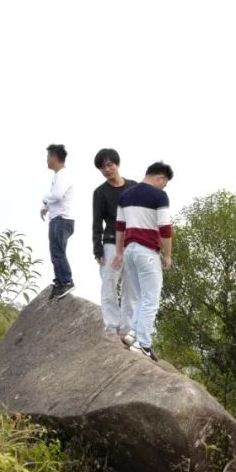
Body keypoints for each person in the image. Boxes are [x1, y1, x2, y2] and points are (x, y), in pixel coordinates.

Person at [111, 161, 174, 360]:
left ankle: (132, 335)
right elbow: (165, 228)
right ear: (160, 178)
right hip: (147, 251)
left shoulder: (125, 195)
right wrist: (168, 255)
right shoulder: (159, 196)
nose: (164, 187)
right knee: (151, 299)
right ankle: (143, 345)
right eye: (165, 183)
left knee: (139, 295)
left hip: (129, 250)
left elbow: (120, 226)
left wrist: (119, 252)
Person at [92, 148, 137, 341]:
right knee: (109, 283)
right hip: (110, 242)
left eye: (109, 165)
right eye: (102, 167)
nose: (107, 169)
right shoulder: (100, 192)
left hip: (133, 242)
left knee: (132, 288)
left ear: (117, 164)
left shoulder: (134, 187)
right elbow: (97, 222)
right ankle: (112, 327)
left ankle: (127, 330)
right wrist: (97, 248)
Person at [39, 143, 75, 299]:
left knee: (58, 252)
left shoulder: (63, 175)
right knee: (55, 252)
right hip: (58, 218)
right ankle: (60, 282)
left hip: (61, 219)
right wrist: (46, 207)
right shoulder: (58, 175)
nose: (46, 160)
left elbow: (58, 195)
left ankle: (66, 282)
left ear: (55, 157)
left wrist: (44, 199)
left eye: (48, 157)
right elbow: (57, 197)